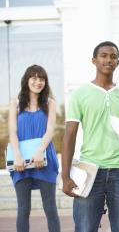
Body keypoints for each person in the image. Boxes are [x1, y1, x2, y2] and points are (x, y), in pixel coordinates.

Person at [61, 41, 119, 232]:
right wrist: (65, 176)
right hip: (89, 170)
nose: (108, 60)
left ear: (117, 62)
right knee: (85, 228)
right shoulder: (80, 94)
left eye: (113, 56)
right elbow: (69, 136)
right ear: (94, 61)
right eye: (103, 56)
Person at [8, 64, 60, 232]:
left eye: (42, 79)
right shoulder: (15, 103)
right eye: (34, 78)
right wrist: (17, 155)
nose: (38, 82)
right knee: (23, 210)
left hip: (45, 159)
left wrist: (39, 152)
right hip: (20, 161)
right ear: (26, 80)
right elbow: (13, 132)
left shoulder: (50, 103)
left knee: (50, 209)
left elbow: (50, 130)